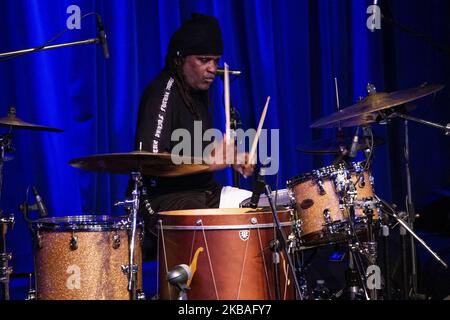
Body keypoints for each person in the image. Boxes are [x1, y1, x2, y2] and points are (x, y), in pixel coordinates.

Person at [133, 13, 254, 228]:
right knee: (211, 229)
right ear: (180, 59)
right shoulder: (162, 92)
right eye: (203, 60)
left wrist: (233, 157)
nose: (212, 68)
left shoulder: (198, 94)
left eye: (215, 60)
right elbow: (149, 162)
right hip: (163, 199)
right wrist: (207, 162)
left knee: (258, 208)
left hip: (204, 193)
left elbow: (198, 152)